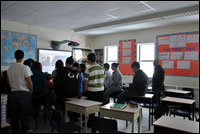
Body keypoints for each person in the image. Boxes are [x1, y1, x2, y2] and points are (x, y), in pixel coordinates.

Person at [7, 50, 33, 133]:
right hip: (24, 93)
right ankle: (24, 130)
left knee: (14, 115)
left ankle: (15, 130)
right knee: (24, 114)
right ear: (23, 57)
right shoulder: (25, 67)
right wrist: (31, 91)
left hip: (13, 93)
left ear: (15, 57)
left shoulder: (10, 68)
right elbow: (29, 82)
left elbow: (8, 81)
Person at [54, 56, 80, 122]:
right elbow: (78, 84)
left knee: (57, 102)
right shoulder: (77, 72)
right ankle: (72, 119)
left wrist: (58, 93)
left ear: (66, 63)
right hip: (74, 96)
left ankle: (61, 120)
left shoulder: (61, 70)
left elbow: (57, 83)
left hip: (63, 96)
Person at [84, 53, 105, 127]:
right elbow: (103, 79)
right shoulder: (102, 68)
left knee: (91, 108)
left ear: (89, 60)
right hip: (101, 90)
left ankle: (90, 123)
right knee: (99, 107)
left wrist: (84, 91)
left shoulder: (88, 69)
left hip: (92, 91)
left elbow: (86, 82)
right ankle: (100, 122)